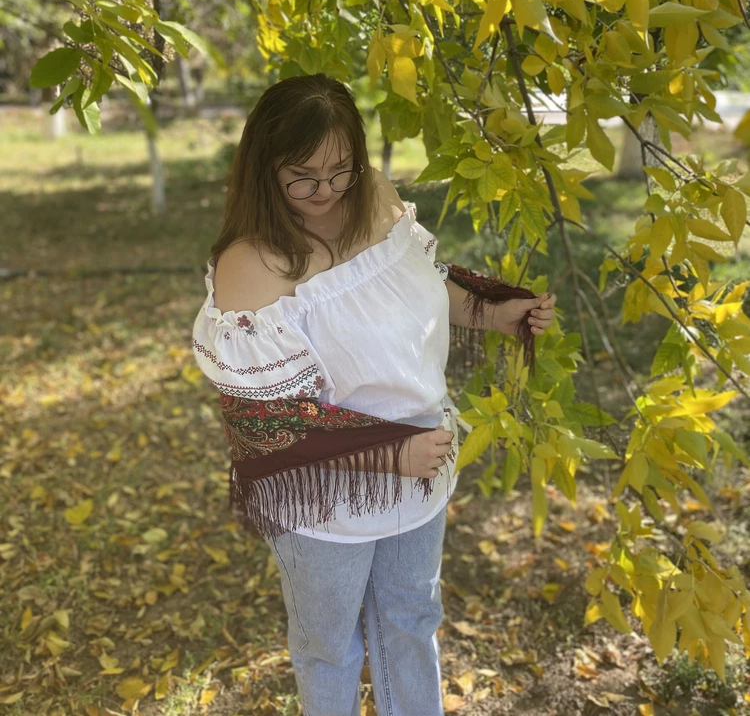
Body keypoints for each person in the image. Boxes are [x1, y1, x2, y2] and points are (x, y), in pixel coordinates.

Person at [192, 73, 556, 716]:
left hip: (421, 463)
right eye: (302, 176)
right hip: (325, 495)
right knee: (329, 648)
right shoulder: (250, 264)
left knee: (412, 621)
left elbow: (417, 290)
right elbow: (266, 423)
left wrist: (495, 313)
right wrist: (391, 456)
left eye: (342, 170)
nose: (326, 191)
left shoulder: (376, 202)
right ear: (263, 169)